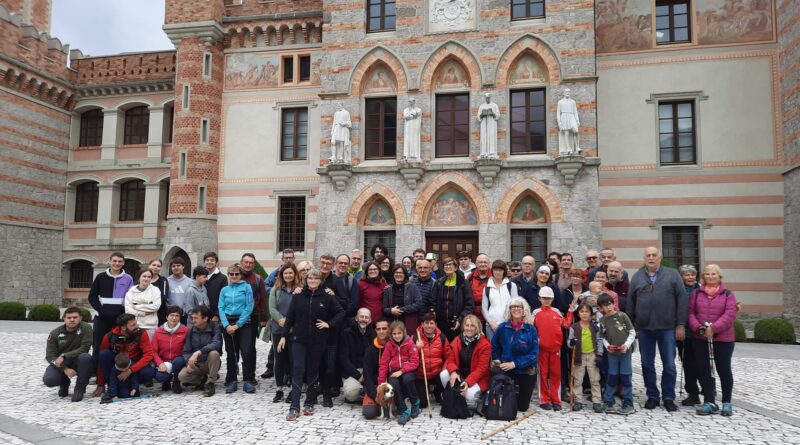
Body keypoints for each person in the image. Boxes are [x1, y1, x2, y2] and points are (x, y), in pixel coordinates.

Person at [278, 268, 344, 421]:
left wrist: (329, 324)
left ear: (320, 280)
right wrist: (283, 336)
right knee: (298, 369)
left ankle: (309, 402)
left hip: (318, 340)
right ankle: (294, 406)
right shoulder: (298, 295)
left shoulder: (327, 296)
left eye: (316, 278)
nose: (312, 281)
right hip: (298, 339)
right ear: (305, 280)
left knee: (313, 371)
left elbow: (340, 313)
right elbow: (290, 317)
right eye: (310, 278)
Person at [626, 246, 687, 412]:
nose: (651, 258)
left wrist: (680, 325)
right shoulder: (637, 277)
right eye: (648, 255)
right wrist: (632, 326)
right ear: (644, 258)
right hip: (645, 329)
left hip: (667, 328)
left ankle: (668, 397)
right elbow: (631, 303)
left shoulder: (672, 274)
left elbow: (682, 300)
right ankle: (652, 395)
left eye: (654, 255)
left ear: (660, 258)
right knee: (647, 364)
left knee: (669, 365)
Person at [689, 265, 738, 417]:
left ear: (719, 276)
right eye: (707, 274)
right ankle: (709, 401)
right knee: (705, 370)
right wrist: (699, 328)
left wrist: (714, 328)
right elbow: (690, 313)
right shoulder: (696, 293)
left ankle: (726, 402)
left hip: (723, 339)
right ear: (704, 277)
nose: (710, 276)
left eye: (714, 274)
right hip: (700, 338)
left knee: (724, 370)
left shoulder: (728, 294)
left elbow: (730, 314)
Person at [88, 251, 133, 396]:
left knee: (119, 344)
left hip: (119, 320)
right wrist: (101, 310)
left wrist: (121, 315)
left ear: (123, 263)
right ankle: (96, 374)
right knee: (98, 346)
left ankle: (118, 372)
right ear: (109, 262)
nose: (117, 264)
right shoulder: (101, 277)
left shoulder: (128, 278)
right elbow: (92, 296)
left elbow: (129, 297)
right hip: (101, 318)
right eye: (114, 261)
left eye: (120, 261)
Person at [491, 297, 539, 412]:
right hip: (507, 368)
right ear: (509, 309)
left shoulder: (531, 329)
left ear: (524, 310)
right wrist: (497, 359)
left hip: (527, 370)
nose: (516, 309)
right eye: (513, 306)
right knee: (507, 403)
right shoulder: (502, 327)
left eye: (519, 306)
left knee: (522, 407)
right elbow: (495, 346)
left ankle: (517, 396)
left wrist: (515, 363)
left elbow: (534, 353)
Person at [532, 286, 575, 410]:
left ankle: (556, 399)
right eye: (544, 298)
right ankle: (544, 399)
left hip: (556, 349)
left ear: (552, 299)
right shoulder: (535, 313)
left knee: (556, 374)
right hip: (542, 349)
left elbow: (566, 324)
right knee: (543, 375)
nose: (546, 300)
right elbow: (531, 329)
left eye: (549, 298)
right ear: (539, 298)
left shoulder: (556, 312)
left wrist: (571, 311)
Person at [97, 313, 155, 400]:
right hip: (116, 367)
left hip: (135, 366)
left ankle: (133, 387)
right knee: (104, 354)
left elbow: (149, 354)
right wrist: (100, 384)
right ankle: (111, 389)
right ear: (123, 327)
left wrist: (131, 370)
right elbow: (100, 362)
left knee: (148, 373)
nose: (137, 326)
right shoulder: (109, 336)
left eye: (136, 323)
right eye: (133, 325)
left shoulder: (141, 333)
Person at [218, 263, 256, 394]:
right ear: (228, 275)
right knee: (231, 353)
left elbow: (249, 306)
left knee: (246, 352)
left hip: (243, 323)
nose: (234, 276)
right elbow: (220, 308)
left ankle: (248, 380)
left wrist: (238, 324)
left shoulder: (246, 287)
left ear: (240, 275)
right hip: (228, 322)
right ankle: (232, 380)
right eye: (231, 274)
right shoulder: (224, 290)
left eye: (236, 274)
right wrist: (226, 325)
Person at [441, 314, 491, 411]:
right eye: (467, 325)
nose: (469, 328)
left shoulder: (485, 344)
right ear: (463, 326)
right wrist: (454, 372)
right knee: (444, 374)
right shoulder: (457, 340)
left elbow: (482, 369)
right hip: (460, 374)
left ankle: (479, 396)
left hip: (477, 378)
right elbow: (450, 359)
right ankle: (455, 398)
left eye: (472, 326)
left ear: (478, 327)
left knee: (470, 395)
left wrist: (467, 382)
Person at [43, 307, 93, 402]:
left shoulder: (86, 328)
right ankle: (64, 382)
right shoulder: (55, 333)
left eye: (75, 317)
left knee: (86, 358)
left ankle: (79, 389)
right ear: (64, 319)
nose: (72, 320)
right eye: (69, 317)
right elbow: (50, 356)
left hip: (78, 360)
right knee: (49, 380)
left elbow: (85, 348)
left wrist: (64, 355)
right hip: (61, 363)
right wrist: (64, 369)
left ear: (80, 318)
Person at [598, 293, 636, 414]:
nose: (608, 307)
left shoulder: (622, 316)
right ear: (601, 308)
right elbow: (602, 337)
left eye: (609, 304)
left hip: (625, 352)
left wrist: (626, 345)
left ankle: (628, 402)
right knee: (612, 376)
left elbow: (632, 333)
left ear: (613, 304)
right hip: (612, 353)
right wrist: (607, 346)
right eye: (605, 306)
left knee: (625, 376)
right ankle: (608, 400)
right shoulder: (602, 320)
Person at [268, 263, 300, 403]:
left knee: (294, 360)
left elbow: (301, 309)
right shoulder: (276, 290)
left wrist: (291, 324)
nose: (288, 275)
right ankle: (279, 388)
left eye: (290, 273)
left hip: (294, 330)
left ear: (294, 274)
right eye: (285, 273)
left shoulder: (299, 290)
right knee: (279, 360)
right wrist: (281, 320)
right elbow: (272, 308)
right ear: (281, 275)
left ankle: (294, 389)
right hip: (278, 329)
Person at [378, 321, 420, 425]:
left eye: (399, 333)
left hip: (408, 370)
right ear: (391, 334)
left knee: (407, 379)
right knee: (393, 382)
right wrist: (381, 382)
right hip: (394, 371)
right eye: (394, 334)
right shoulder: (389, 345)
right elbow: (384, 364)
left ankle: (415, 402)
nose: (397, 336)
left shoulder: (410, 343)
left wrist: (401, 371)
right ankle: (403, 410)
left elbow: (415, 362)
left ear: (404, 332)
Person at [179, 305, 223, 397]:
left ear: (205, 318)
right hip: (197, 364)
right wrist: (188, 364)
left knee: (214, 353)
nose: (193, 320)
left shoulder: (215, 328)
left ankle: (210, 383)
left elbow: (216, 344)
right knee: (182, 376)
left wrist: (199, 352)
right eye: (192, 318)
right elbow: (186, 351)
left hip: (209, 362)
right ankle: (203, 379)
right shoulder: (191, 331)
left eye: (196, 318)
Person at [567, 303, 602, 412]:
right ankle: (578, 400)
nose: (584, 314)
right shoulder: (574, 327)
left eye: (587, 311)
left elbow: (599, 340)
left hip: (592, 355)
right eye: (582, 311)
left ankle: (597, 401)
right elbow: (569, 342)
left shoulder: (595, 327)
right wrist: (571, 342)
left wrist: (599, 354)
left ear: (591, 314)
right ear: (578, 313)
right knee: (578, 379)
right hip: (579, 355)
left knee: (595, 379)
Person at [431, 257, 475, 341]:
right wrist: (434, 316)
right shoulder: (439, 282)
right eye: (445, 265)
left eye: (450, 264)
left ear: (455, 267)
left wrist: (460, 319)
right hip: (441, 323)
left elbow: (469, 305)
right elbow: (432, 301)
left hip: (458, 322)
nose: (448, 267)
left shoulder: (463, 283)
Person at [339, 308, 376, 403]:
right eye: (361, 316)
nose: (363, 319)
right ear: (356, 318)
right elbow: (343, 358)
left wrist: (367, 373)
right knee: (351, 395)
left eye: (366, 317)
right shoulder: (346, 333)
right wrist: (358, 375)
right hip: (352, 371)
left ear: (370, 320)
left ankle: (365, 392)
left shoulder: (374, 334)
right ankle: (360, 392)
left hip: (367, 370)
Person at [413, 312, 450, 407]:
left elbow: (449, 356)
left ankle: (437, 391)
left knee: (446, 376)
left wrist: (444, 369)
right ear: (422, 324)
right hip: (421, 375)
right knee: (422, 404)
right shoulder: (415, 338)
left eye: (431, 323)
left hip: (437, 372)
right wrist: (417, 348)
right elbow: (410, 358)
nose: (428, 326)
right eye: (426, 323)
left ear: (436, 325)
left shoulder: (442, 337)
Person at [678, 264, 701, 407]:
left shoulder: (702, 290)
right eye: (687, 274)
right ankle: (693, 393)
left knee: (701, 363)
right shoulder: (677, 290)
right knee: (687, 364)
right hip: (683, 334)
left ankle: (708, 391)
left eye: (693, 274)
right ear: (681, 277)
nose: (690, 277)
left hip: (699, 332)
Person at [151, 306, 189, 393]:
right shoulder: (158, 331)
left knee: (178, 362)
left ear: (180, 318)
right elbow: (154, 351)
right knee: (160, 377)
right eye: (172, 315)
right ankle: (166, 380)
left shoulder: (185, 330)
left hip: (179, 361)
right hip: (165, 362)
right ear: (167, 317)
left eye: (177, 316)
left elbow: (188, 349)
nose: (174, 318)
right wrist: (160, 363)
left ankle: (176, 380)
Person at [482, 260, 519, 340]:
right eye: (495, 270)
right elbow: (484, 308)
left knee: (508, 349)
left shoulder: (511, 286)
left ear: (504, 271)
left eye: (500, 270)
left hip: (509, 325)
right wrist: (491, 323)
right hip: (491, 326)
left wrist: (511, 322)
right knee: (494, 350)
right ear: (492, 271)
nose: (498, 272)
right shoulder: (487, 288)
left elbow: (516, 305)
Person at [383, 264, 424, 334]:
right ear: (393, 274)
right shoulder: (388, 289)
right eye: (396, 272)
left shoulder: (412, 287)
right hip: (393, 323)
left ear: (405, 274)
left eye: (401, 272)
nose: (398, 274)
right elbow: (384, 308)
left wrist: (401, 310)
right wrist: (391, 310)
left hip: (409, 323)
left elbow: (418, 304)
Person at [362, 319, 390, 419]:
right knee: (369, 413)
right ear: (375, 331)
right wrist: (376, 397)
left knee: (391, 411)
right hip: (375, 387)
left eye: (384, 329)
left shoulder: (394, 346)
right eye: (378, 329)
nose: (381, 331)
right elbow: (367, 376)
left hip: (390, 386)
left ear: (389, 330)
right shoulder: (370, 350)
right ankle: (374, 403)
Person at [125, 269, 162, 337]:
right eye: (144, 276)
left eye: (149, 277)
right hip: (134, 326)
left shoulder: (155, 290)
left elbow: (155, 307)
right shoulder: (131, 292)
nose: (146, 279)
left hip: (150, 327)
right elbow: (128, 310)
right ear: (139, 277)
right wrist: (144, 312)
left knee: (149, 347)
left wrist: (136, 306)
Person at [359, 262, 388, 328]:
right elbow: (358, 302)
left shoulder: (383, 283)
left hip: (380, 320)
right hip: (365, 320)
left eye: (375, 269)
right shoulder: (361, 284)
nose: (373, 271)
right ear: (367, 272)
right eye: (370, 269)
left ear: (379, 271)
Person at [167, 257, 192, 324]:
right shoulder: (166, 281)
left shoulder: (190, 282)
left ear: (183, 267)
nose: (176, 267)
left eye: (178, 265)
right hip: (171, 316)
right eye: (173, 266)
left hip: (185, 316)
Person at [203, 252, 227, 323]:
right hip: (201, 316)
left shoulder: (222, 278)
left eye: (212, 260)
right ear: (204, 262)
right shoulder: (200, 276)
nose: (209, 262)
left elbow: (224, 298)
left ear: (216, 262)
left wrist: (217, 315)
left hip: (215, 316)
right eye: (207, 260)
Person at [467, 254, 491, 323]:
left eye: (485, 262)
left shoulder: (494, 277)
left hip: (490, 316)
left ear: (489, 264)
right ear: (476, 264)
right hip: (474, 316)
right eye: (480, 262)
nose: (483, 264)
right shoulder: (470, 277)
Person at [557, 87, 580, 154]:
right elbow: (558, 113)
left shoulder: (573, 102)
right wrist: (559, 122)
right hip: (564, 116)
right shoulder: (560, 102)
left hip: (571, 116)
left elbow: (575, 111)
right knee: (566, 133)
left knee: (576, 131)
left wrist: (577, 120)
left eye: (568, 92)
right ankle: (568, 148)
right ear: (564, 93)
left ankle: (577, 147)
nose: (567, 93)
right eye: (566, 92)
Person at [147, 258, 170, 326]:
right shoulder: (143, 278)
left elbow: (163, 297)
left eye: (158, 266)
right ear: (149, 266)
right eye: (153, 265)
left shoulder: (163, 280)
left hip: (159, 314)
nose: (156, 267)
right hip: (144, 314)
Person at [477, 92, 500, 158]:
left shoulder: (494, 105)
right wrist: (481, 115)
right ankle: (483, 152)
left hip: (492, 123)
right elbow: (478, 116)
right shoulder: (482, 106)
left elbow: (498, 115)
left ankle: (492, 152)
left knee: (491, 136)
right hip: (484, 123)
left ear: (490, 98)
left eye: (488, 98)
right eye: (486, 98)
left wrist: (493, 114)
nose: (487, 99)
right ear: (485, 98)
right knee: (484, 136)